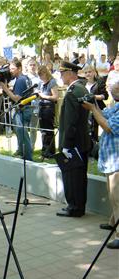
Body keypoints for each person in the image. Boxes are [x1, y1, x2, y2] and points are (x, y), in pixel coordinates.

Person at [83, 83, 119, 249]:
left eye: (115, 89)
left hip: (117, 160)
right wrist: (94, 104)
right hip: (111, 160)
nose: (111, 91)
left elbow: (107, 126)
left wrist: (91, 108)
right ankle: (113, 222)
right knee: (113, 196)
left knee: (117, 198)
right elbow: (105, 113)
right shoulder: (116, 106)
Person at [56, 62, 91, 218]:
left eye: (62, 73)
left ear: (70, 73)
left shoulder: (72, 92)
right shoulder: (82, 89)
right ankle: (79, 206)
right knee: (80, 177)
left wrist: (66, 144)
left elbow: (70, 122)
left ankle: (74, 207)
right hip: (82, 141)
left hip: (73, 142)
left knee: (72, 177)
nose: (61, 76)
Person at [0, 61, 34, 161]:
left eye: (13, 69)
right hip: (26, 108)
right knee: (21, 133)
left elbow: (16, 98)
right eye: (10, 69)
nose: (10, 71)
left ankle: (28, 158)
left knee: (23, 134)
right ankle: (22, 153)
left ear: (19, 68)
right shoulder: (26, 78)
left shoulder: (20, 80)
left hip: (22, 110)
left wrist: (5, 88)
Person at [37, 65, 58, 158]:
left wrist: (43, 96)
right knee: (43, 131)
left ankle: (50, 151)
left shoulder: (52, 82)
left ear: (46, 73)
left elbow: (55, 97)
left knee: (49, 130)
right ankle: (44, 149)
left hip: (49, 108)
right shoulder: (41, 83)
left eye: (41, 75)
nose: (40, 77)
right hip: (41, 107)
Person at [83, 65, 109, 142]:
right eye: (86, 72)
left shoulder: (99, 82)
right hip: (84, 109)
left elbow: (105, 96)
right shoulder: (82, 83)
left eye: (90, 72)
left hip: (96, 109)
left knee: (93, 130)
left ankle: (93, 148)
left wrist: (94, 97)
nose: (88, 74)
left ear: (94, 72)